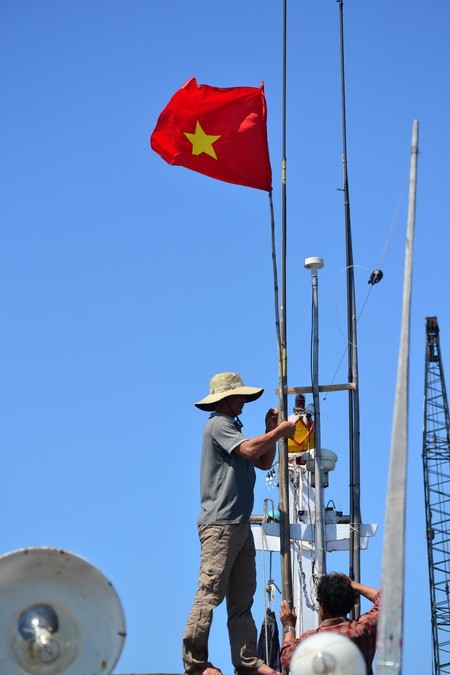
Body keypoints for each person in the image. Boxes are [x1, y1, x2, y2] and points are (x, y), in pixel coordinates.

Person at [182, 372, 297, 675]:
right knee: (209, 594)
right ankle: (195, 664)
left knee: (242, 598)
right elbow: (249, 451)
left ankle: (247, 662)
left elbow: (262, 461)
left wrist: (270, 430)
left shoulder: (232, 426)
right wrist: (279, 433)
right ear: (226, 400)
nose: (245, 401)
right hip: (221, 525)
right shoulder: (219, 424)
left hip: (238, 524)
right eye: (240, 397)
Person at [280, 573, 380, 675]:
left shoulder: (310, 640)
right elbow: (386, 601)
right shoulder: (364, 629)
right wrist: (353, 584)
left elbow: (286, 658)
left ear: (322, 605)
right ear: (350, 604)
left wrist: (289, 626)